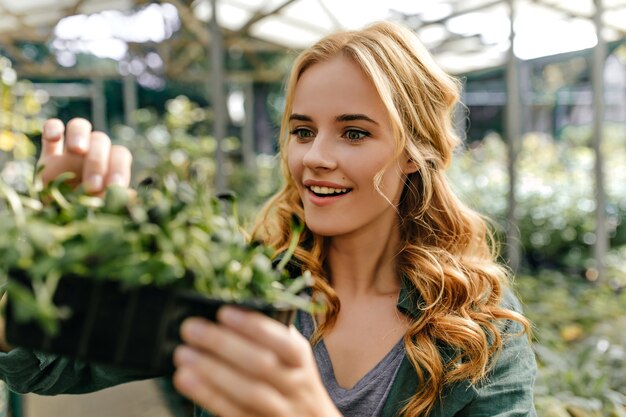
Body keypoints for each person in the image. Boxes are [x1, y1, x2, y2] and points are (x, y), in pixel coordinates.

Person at [0, 21, 536, 417]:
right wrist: (60, 238)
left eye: (354, 133)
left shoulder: (477, 326)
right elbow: (44, 364)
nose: (314, 157)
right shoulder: (239, 280)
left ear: (416, 153)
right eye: (303, 131)